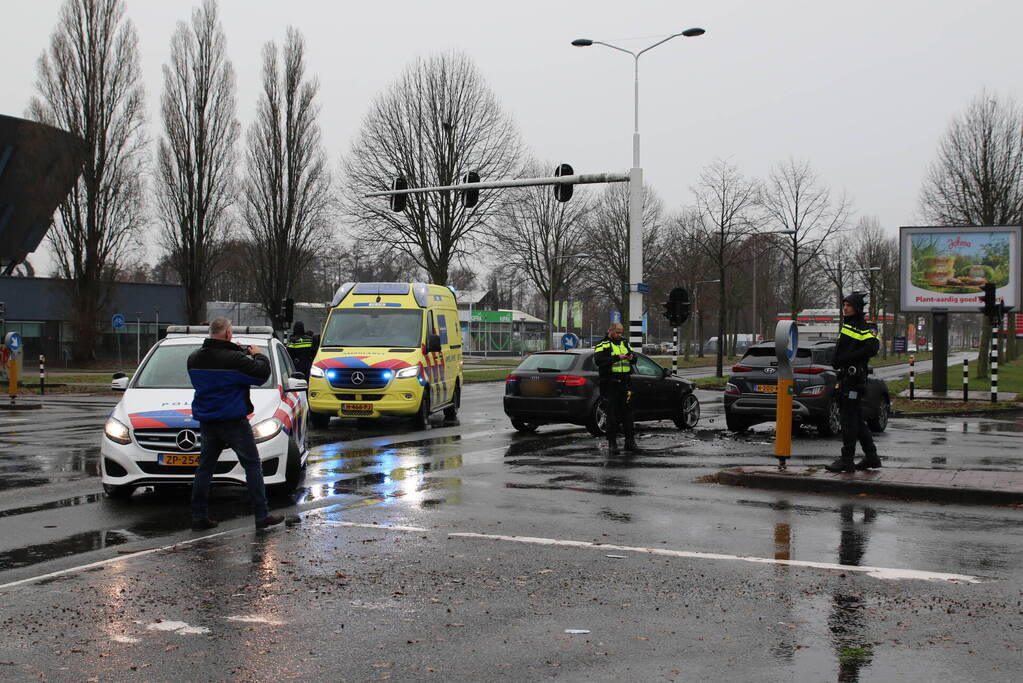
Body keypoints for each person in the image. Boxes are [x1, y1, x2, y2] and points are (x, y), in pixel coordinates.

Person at [187, 318, 283, 530]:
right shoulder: (234, 359)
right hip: (233, 421)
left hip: (208, 420)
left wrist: (238, 354)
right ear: (228, 333)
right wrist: (257, 354)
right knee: (252, 465)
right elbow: (261, 374)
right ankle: (261, 515)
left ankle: (199, 515)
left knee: (205, 468)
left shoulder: (194, 359)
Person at [825, 293, 882, 473]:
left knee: (849, 421)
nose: (845, 308)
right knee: (856, 419)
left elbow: (872, 348)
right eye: (844, 305)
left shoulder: (866, 327)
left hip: (854, 379)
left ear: (856, 307)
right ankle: (871, 457)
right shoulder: (847, 325)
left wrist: (847, 359)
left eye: (849, 305)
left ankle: (846, 459)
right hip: (845, 378)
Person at [594, 322, 639, 454]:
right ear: (610, 330)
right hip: (610, 383)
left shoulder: (624, 343)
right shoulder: (602, 344)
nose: (619, 335)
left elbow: (634, 358)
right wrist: (616, 358)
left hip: (625, 383)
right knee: (612, 415)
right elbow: (599, 361)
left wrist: (631, 357)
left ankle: (630, 443)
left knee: (628, 414)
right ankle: (612, 445)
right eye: (617, 332)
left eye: (621, 332)